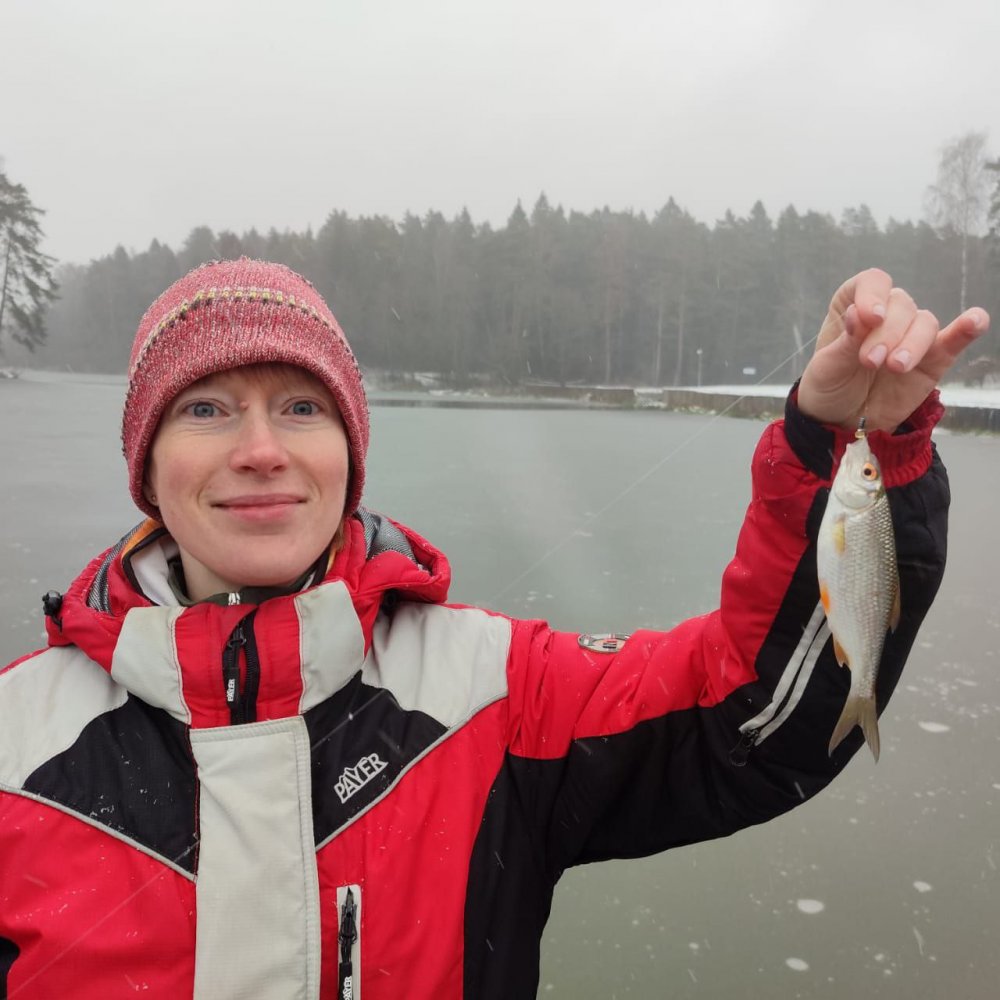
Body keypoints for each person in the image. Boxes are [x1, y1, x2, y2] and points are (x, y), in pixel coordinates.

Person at [0, 258, 989, 999]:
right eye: (207, 409)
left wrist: (845, 444)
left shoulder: (499, 693)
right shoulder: (16, 743)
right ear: (147, 460)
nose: (261, 449)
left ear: (349, 450)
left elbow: (748, 713)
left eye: (301, 406)